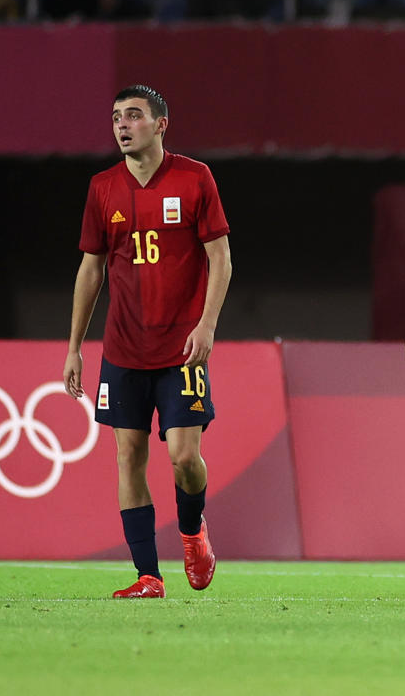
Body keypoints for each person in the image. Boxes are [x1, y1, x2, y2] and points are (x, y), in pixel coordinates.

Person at [63, 85, 232, 599]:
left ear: (161, 124)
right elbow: (91, 270)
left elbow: (221, 258)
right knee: (128, 457)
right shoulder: (102, 188)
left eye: (133, 116)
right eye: (116, 117)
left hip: (180, 348)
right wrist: (74, 346)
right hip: (123, 350)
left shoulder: (194, 177)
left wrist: (205, 325)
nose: (122, 125)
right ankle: (147, 576)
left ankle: (192, 532)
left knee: (183, 456)